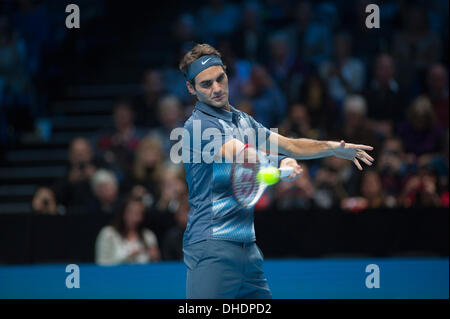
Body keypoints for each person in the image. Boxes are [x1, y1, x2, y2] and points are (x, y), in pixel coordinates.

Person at [178, 43, 374, 299]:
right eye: (206, 84)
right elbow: (244, 155)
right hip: (212, 245)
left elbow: (289, 145)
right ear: (191, 88)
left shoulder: (242, 120)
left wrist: (332, 148)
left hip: (246, 249)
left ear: (227, 74)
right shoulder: (199, 126)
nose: (216, 88)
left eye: (220, 78)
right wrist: (277, 164)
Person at [95, 197, 160, 265]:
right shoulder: (108, 234)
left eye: (139, 213)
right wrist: (128, 256)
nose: (135, 218)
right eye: (131, 212)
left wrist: (154, 257)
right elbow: (101, 263)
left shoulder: (148, 236)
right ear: (123, 213)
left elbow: (155, 264)